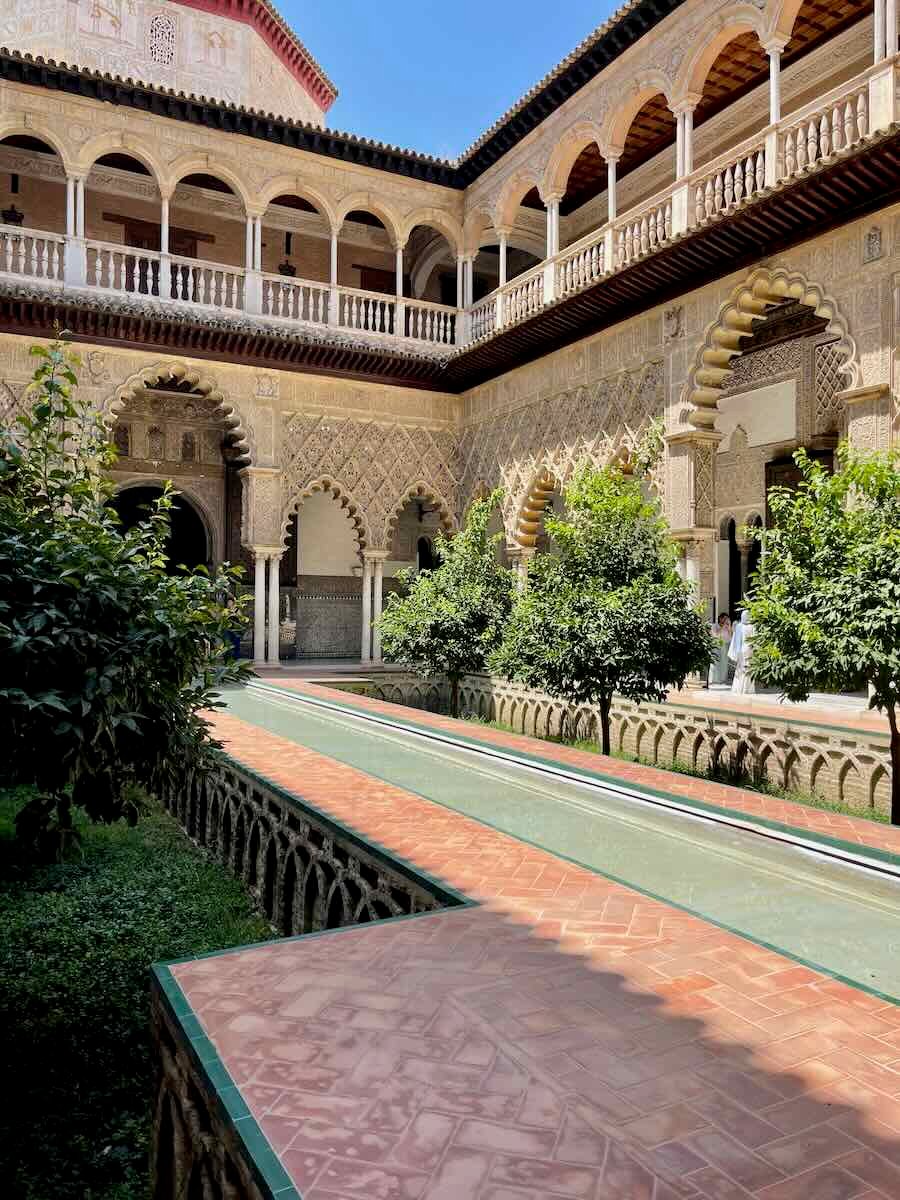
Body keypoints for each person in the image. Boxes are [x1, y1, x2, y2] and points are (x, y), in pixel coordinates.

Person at [728, 609, 755, 694]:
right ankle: (747, 689)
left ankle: (739, 688)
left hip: (740, 650)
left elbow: (735, 640)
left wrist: (734, 652)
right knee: (748, 668)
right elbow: (755, 639)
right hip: (749, 649)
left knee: (740, 669)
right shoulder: (753, 626)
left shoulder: (739, 626)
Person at [708, 612, 732, 685]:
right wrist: (722, 627)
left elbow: (730, 636)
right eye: (724, 619)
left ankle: (722, 679)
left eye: (726, 619)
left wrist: (729, 627)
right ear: (720, 618)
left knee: (724, 662)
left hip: (724, 645)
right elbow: (715, 635)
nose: (725, 620)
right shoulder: (714, 626)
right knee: (715, 663)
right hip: (716, 645)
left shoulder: (727, 626)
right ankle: (713, 679)